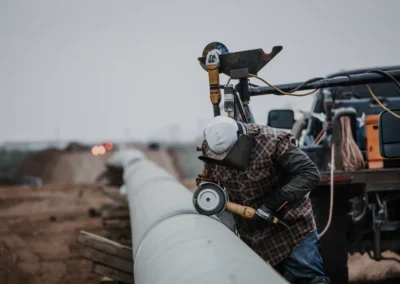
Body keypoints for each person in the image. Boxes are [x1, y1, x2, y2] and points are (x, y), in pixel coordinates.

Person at [195, 115, 330, 284]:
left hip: (291, 229)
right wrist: (208, 190)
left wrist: (271, 206)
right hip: (252, 237)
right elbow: (207, 178)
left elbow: (309, 174)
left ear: (240, 139)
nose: (225, 162)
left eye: (229, 156)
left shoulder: (273, 142)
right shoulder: (212, 148)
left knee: (310, 280)